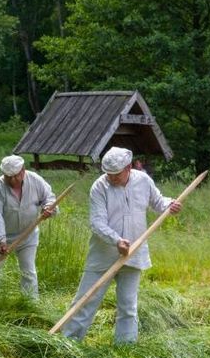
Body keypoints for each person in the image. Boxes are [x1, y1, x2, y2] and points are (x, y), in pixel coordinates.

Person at [60, 146, 181, 344]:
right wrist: (117, 241)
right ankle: (70, 341)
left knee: (128, 304)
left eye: (116, 174)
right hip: (103, 253)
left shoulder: (143, 180)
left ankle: (125, 346)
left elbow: (158, 202)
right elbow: (97, 222)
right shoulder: (99, 187)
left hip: (134, 252)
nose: (111, 178)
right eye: (108, 174)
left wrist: (170, 204)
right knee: (85, 300)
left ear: (129, 167)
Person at [0, 154, 57, 298]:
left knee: (28, 271)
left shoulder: (36, 181)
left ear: (23, 171)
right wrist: (0, 240)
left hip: (28, 234)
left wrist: (48, 208)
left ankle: (31, 303)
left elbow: (49, 198)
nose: (12, 180)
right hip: (4, 236)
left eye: (15, 176)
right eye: (8, 176)